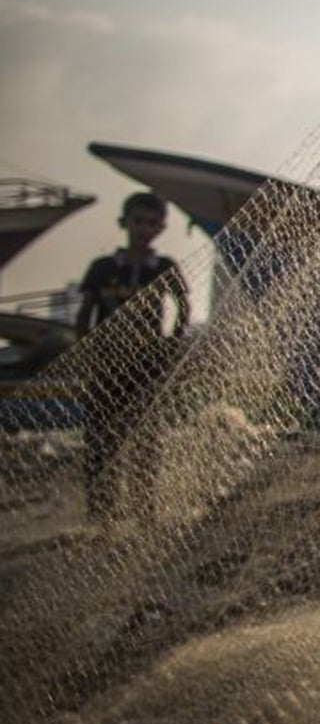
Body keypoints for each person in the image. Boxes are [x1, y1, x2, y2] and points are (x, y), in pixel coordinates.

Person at [75, 191, 190, 521]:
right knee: (101, 441)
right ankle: (102, 516)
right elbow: (86, 312)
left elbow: (183, 306)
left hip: (146, 368)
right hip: (107, 367)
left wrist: (172, 344)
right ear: (124, 222)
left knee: (146, 441)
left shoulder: (164, 267)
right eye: (138, 221)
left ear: (161, 228)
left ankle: (144, 511)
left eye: (152, 223)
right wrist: (86, 351)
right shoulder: (103, 267)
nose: (144, 229)